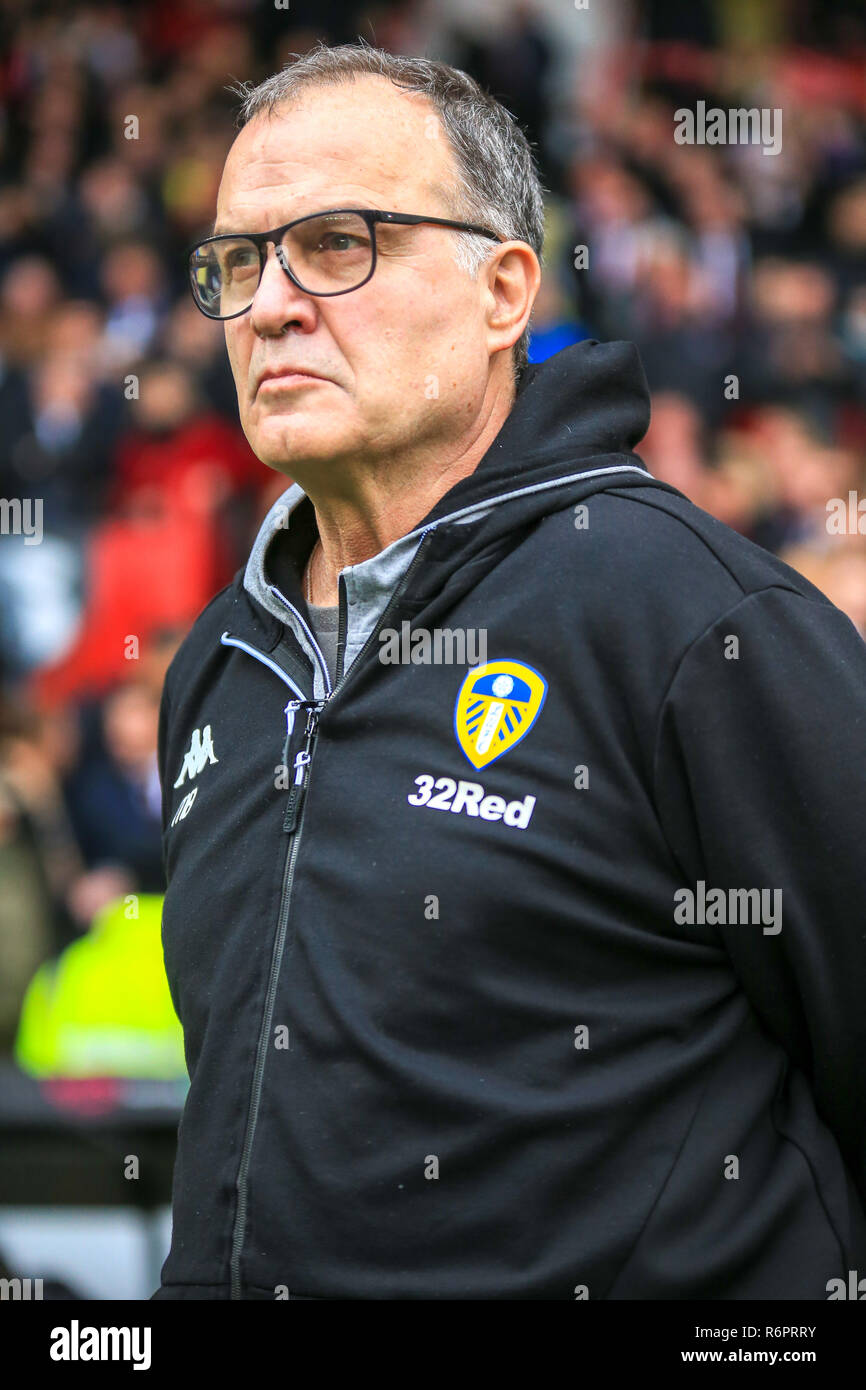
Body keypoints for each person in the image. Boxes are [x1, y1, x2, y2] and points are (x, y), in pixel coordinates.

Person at [152, 43, 866, 1301]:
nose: (268, 305)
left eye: (335, 244)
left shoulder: (694, 620)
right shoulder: (217, 663)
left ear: (504, 291)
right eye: (238, 260)